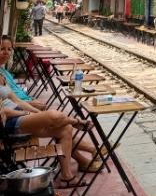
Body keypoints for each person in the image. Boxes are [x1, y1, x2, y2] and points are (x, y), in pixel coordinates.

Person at [0, 36, 101, 184]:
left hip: (19, 117)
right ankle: (77, 121)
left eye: (9, 49)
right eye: (2, 49)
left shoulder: (2, 74)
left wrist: (38, 114)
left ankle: (67, 177)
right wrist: (29, 113)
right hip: (9, 124)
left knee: (65, 128)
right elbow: (4, 112)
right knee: (54, 116)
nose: (6, 53)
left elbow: (18, 101)